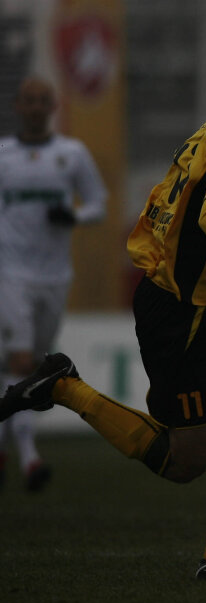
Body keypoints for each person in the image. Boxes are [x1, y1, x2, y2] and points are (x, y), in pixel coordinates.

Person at [0, 25, 206, 580]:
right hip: (179, 313)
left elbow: (186, 233)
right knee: (183, 461)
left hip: (195, 302)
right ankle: (63, 385)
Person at [0, 76, 108, 493]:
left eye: (43, 100)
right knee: (22, 360)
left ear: (54, 105)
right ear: (17, 105)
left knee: (29, 367)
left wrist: (75, 217)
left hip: (55, 276)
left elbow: (98, 202)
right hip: (11, 273)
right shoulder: (4, 155)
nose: (35, 107)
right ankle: (30, 459)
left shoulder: (72, 154)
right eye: (28, 100)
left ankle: (7, 448)